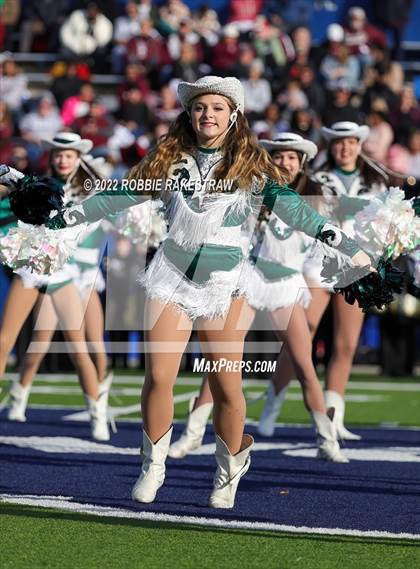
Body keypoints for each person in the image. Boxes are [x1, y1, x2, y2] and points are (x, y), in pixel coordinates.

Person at [42, 77, 372, 508]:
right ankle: (153, 463)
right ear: (189, 113)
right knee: (159, 375)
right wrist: (63, 217)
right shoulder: (168, 158)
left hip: (225, 284)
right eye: (200, 107)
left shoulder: (251, 166)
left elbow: (291, 207)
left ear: (232, 114)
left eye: (217, 107)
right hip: (171, 275)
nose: (208, 115)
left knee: (224, 383)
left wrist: (341, 240)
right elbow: (117, 195)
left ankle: (228, 469)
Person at [169, 132, 350, 463]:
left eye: (291, 157)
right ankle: (192, 434)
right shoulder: (253, 186)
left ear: (302, 163)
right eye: (279, 156)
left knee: (304, 365)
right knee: (221, 359)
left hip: (286, 287)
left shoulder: (317, 198)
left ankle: (326, 439)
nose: (284, 162)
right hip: (249, 280)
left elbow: (324, 245)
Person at [0, 133, 111, 440]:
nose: (63, 159)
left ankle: (97, 413)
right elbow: (11, 207)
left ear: (79, 159)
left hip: (64, 272)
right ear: (51, 158)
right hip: (32, 269)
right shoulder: (37, 182)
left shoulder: (91, 190)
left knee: (79, 346)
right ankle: (19, 393)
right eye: (58, 155)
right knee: (5, 341)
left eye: (69, 155)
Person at [302, 121, 388, 440]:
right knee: (302, 334)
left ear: (358, 144)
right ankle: (283, 400)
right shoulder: (316, 177)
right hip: (319, 262)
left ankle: (333, 416)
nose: (345, 148)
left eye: (350, 142)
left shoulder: (375, 179)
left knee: (347, 343)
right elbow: (315, 216)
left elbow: (381, 224)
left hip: (356, 266)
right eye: (339, 142)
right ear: (331, 146)